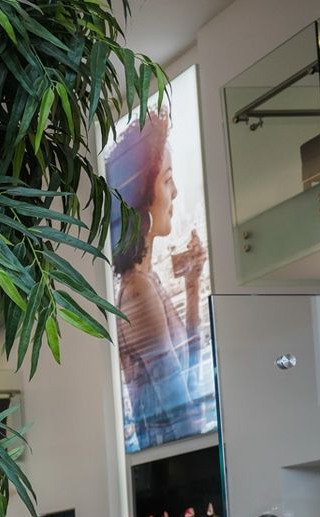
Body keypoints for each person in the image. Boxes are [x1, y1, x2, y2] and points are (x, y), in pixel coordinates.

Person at [106, 108, 208, 450]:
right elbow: (182, 412)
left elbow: (188, 378)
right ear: (142, 199)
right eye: (167, 179)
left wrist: (192, 287)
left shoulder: (149, 283)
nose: (175, 191)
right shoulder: (139, 291)